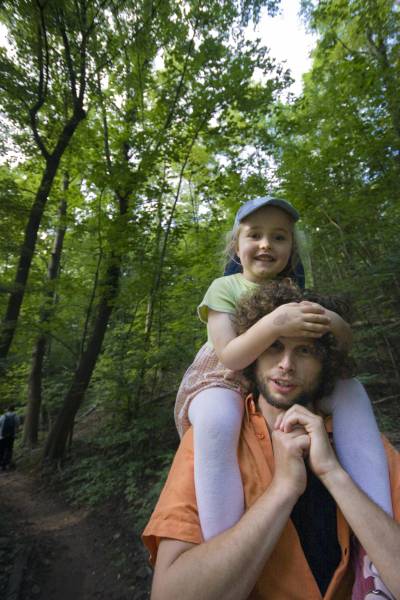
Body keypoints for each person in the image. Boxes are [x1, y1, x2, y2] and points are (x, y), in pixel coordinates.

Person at [174, 196, 393, 594]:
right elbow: (232, 354)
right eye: (254, 235)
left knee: (352, 390)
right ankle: (223, 546)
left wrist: (330, 321)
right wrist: (277, 322)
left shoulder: (294, 292)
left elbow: (342, 344)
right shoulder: (225, 287)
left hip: (275, 386)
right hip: (223, 376)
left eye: (279, 236)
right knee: (219, 420)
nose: (265, 244)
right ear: (236, 247)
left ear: (291, 248)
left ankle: (377, 556)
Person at [143, 280, 400, 600]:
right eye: (274, 346)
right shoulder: (212, 443)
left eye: (304, 350)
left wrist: (334, 474)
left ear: (327, 362)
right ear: (253, 352)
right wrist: (283, 489)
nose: (286, 365)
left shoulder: (365, 447)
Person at [0, 405, 20, 471]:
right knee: (9, 450)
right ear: (14, 409)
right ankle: (6, 464)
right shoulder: (16, 416)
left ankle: (1, 465)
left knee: (1, 450)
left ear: (7, 409)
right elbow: (17, 426)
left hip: (2, 436)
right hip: (11, 436)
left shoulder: (2, 416)